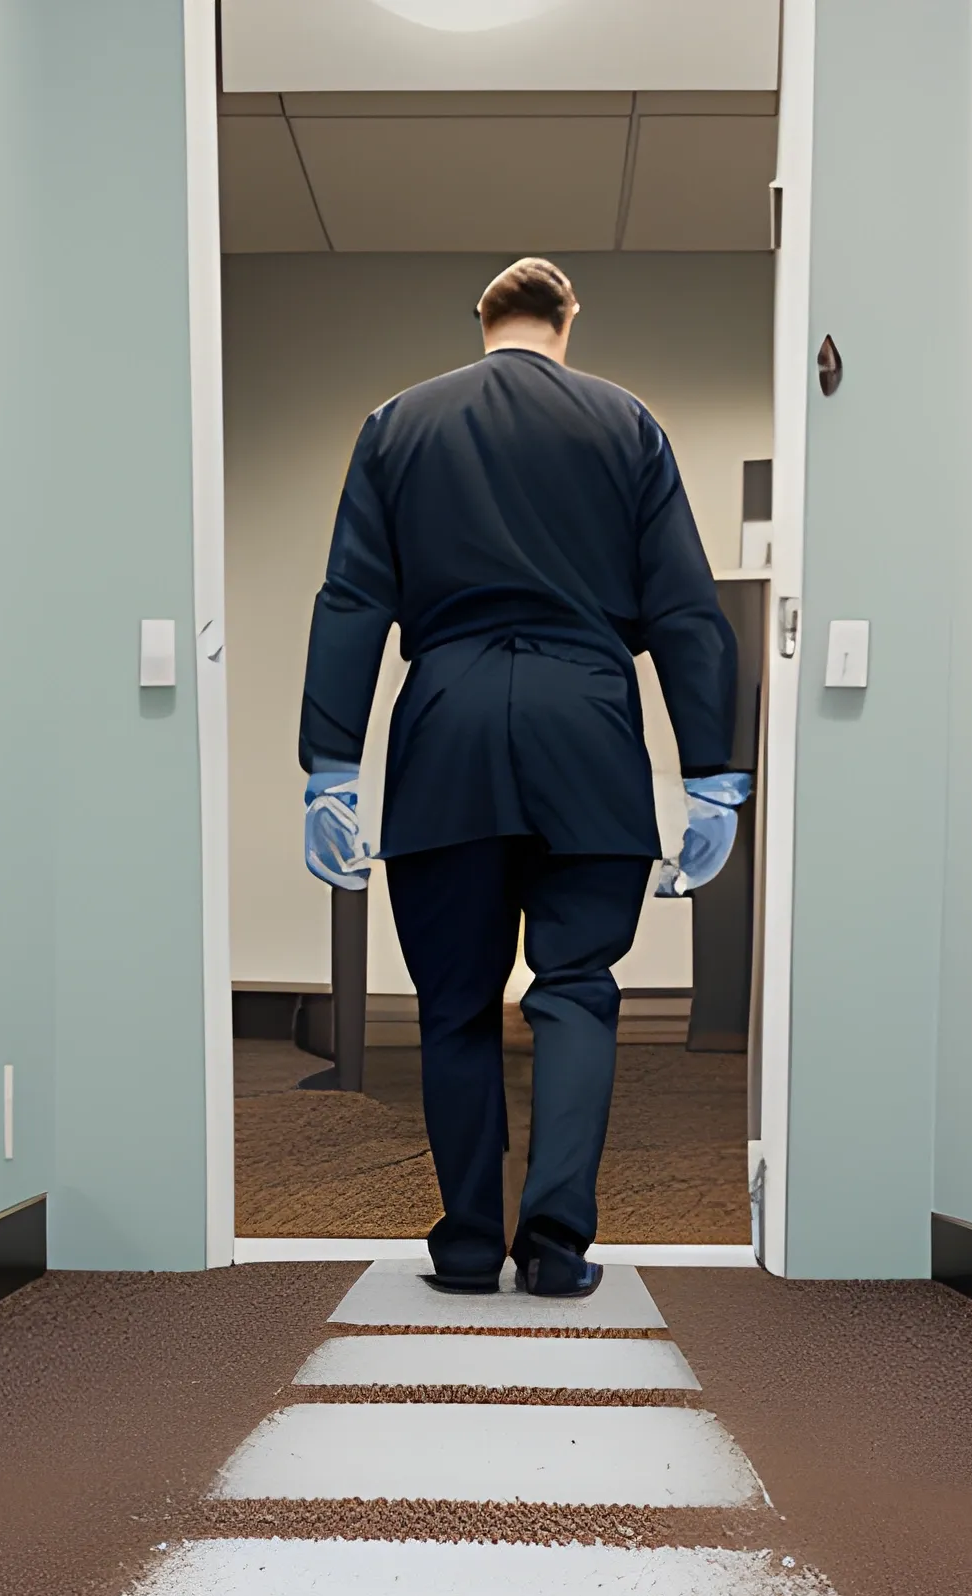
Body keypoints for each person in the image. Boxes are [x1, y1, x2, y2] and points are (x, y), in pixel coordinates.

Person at [298, 256, 748, 1298]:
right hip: (587, 732)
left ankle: (462, 1244)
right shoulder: (626, 423)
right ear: (567, 320)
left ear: (480, 322)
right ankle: (553, 1244)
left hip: (444, 730)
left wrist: (330, 763)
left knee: (452, 1003)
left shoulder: (396, 424)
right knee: (578, 994)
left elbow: (351, 598)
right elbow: (683, 607)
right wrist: (710, 772)